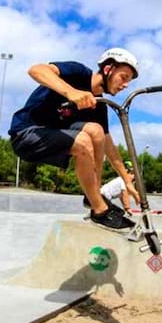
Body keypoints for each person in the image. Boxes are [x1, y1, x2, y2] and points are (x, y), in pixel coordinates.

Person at [9, 48, 141, 231]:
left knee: (96, 132)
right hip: (26, 133)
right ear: (109, 69)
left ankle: (94, 196)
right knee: (84, 141)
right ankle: (100, 211)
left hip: (53, 134)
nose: (125, 84)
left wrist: (126, 180)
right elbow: (36, 70)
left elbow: (108, 146)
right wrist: (71, 92)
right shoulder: (77, 73)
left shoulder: (99, 105)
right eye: (124, 77)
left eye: (129, 81)